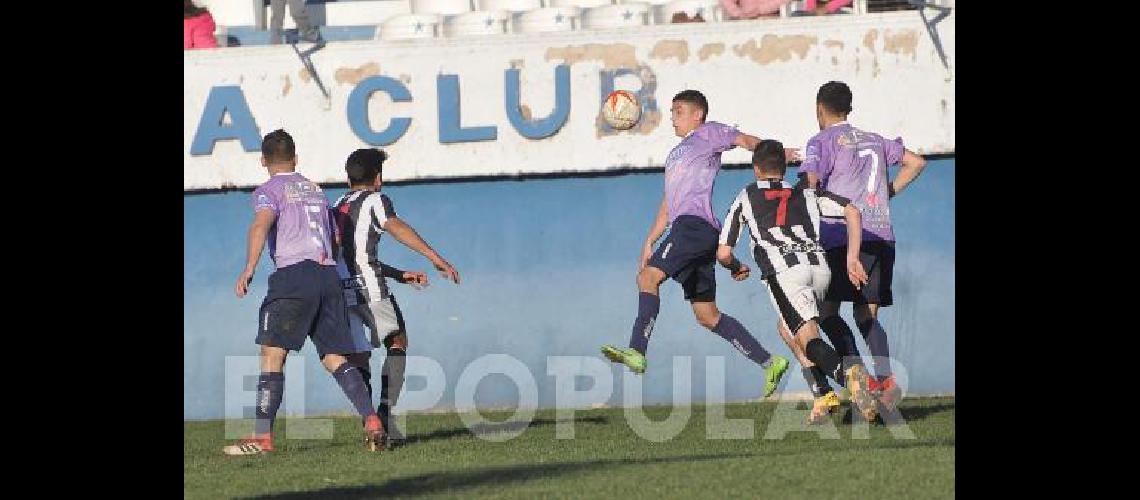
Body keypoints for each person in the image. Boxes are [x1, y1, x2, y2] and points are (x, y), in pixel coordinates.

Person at [600, 90, 800, 399]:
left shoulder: (709, 134)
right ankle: (770, 362)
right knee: (707, 315)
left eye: (678, 111)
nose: (673, 118)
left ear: (698, 115)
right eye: (672, 112)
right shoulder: (675, 155)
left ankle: (637, 351)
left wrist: (776, 154)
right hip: (692, 230)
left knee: (647, 278)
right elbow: (669, 204)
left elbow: (745, 140)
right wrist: (650, 240)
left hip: (693, 228)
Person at [223, 130, 385, 455]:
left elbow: (261, 224)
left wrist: (249, 268)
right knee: (334, 356)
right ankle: (372, 419)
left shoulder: (269, 190)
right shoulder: (315, 190)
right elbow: (336, 238)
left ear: (263, 161)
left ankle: (262, 438)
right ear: (296, 159)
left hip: (294, 276)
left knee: (272, 355)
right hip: (328, 276)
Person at [717, 139, 877, 422]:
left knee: (807, 337)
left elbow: (723, 252)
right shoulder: (806, 193)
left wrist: (735, 266)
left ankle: (847, 376)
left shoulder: (747, 195)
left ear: (756, 169)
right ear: (784, 167)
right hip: (820, 268)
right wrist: (852, 258)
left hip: (785, 273)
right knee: (786, 328)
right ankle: (822, 394)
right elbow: (853, 211)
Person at [799, 81, 927, 411]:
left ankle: (860, 378)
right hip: (881, 235)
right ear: (849, 108)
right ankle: (885, 381)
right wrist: (887, 194)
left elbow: (809, 184)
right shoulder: (874, 139)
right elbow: (917, 162)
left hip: (842, 238)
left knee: (825, 313)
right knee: (865, 314)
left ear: (819, 109)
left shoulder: (821, 141)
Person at [332, 148, 460, 447]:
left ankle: (371, 423)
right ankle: (385, 416)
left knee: (358, 354)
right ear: (377, 177)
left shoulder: (337, 205)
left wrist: (400, 274)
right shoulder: (377, 200)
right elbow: (395, 226)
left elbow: (350, 256)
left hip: (341, 290)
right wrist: (434, 257)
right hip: (371, 290)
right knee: (398, 341)